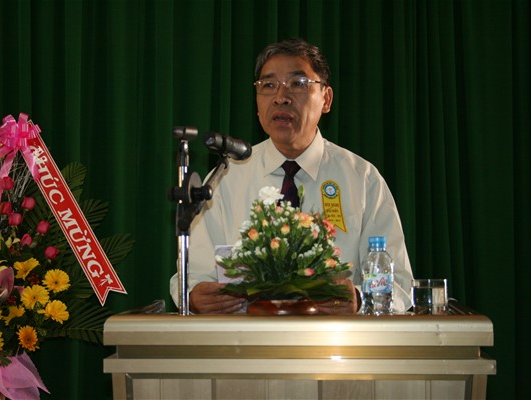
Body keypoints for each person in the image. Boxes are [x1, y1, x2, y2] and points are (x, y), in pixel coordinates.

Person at [170, 38, 413, 314]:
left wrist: (360, 298)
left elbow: (400, 285)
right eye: (268, 85)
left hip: (335, 338)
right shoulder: (225, 178)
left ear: (326, 99)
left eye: (298, 83)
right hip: (246, 338)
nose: (281, 97)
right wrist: (195, 297)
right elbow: (191, 278)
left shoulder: (362, 179)